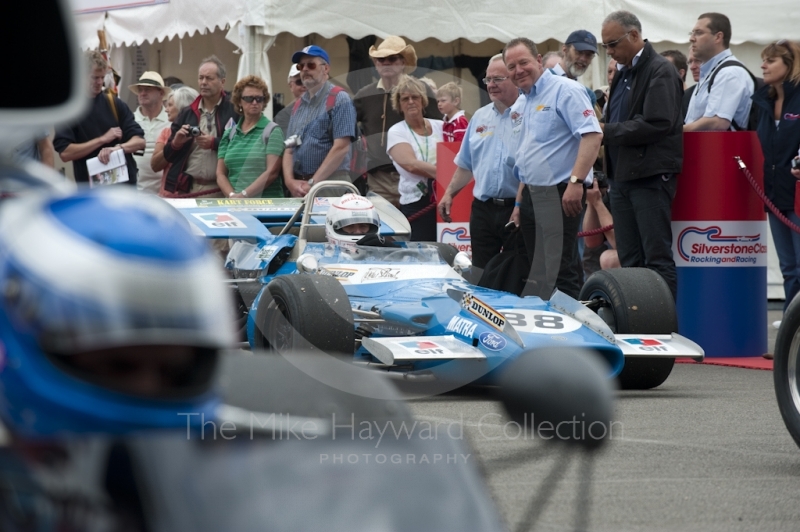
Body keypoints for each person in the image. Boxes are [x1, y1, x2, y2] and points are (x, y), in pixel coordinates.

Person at [503, 38, 601, 300]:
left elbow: (592, 136)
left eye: (523, 62)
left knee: (560, 270)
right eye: (511, 66)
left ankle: (572, 334)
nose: (518, 70)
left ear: (538, 60)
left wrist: (576, 182)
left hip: (561, 192)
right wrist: (520, 203)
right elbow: (527, 158)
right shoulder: (521, 103)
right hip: (533, 195)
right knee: (539, 271)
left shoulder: (565, 90)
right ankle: (550, 330)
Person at [601, 10, 683, 301]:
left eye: (613, 44)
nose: (609, 51)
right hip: (622, 178)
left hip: (649, 177)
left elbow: (658, 122)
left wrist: (605, 131)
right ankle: (639, 326)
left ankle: (665, 333)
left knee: (657, 259)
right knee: (631, 261)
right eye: (606, 46)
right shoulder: (623, 72)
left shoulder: (661, 69)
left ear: (634, 36)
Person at [438, 55, 522, 269]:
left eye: (498, 79)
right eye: (488, 80)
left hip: (517, 208)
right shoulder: (479, 117)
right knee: (481, 273)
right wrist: (449, 194)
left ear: (513, 78)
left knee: (516, 272)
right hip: (483, 210)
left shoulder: (528, 113)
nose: (491, 85)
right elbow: (466, 164)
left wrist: (521, 206)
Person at [354, 36, 441, 207]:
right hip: (379, 179)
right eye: (381, 59)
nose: (386, 63)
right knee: (383, 229)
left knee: (416, 229)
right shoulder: (365, 94)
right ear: (376, 64)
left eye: (392, 59)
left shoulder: (420, 89)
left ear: (403, 63)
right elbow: (344, 125)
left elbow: (441, 128)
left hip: (418, 177)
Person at [752, 39, 800, 329]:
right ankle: (792, 332)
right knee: (789, 268)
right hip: (774, 194)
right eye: (763, 59)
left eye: (771, 60)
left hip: (797, 194)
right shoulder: (763, 100)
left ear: (790, 64)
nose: (763, 66)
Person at [54, 51, 144, 186]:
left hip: (124, 189)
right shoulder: (69, 110)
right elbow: (65, 153)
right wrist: (102, 140)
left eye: (102, 77)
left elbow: (139, 142)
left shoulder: (114, 103)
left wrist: (118, 148)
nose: (100, 82)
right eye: (95, 77)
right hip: (91, 191)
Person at [283, 45, 357, 197]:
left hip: (330, 185)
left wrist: (312, 184)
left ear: (326, 69)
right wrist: (290, 182)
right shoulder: (298, 105)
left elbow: (341, 148)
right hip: (300, 187)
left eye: (310, 64)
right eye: (300, 66)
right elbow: (289, 149)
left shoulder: (339, 98)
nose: (304, 69)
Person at [162, 55, 237, 197]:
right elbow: (168, 155)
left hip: (223, 189)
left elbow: (242, 144)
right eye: (201, 78)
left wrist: (214, 143)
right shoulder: (187, 113)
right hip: (190, 188)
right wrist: (176, 144)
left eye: (209, 78)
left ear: (222, 82)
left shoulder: (234, 110)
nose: (203, 82)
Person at [387, 76, 444, 242]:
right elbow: (411, 165)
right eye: (405, 99)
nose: (411, 101)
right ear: (399, 105)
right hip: (416, 203)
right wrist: (449, 175)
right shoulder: (396, 132)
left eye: (415, 97)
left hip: (445, 198)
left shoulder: (441, 126)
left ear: (423, 100)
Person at [684, 12, 755, 131]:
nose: (691, 38)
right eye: (692, 33)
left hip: (721, 148)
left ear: (718, 37)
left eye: (699, 33)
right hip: (706, 146)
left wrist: (676, 132)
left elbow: (717, 123)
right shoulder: (713, 71)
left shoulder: (728, 73)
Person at [217, 75, 285, 199]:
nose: (254, 102)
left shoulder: (273, 131)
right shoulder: (229, 134)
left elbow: (272, 172)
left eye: (259, 98)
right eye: (249, 98)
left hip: (266, 205)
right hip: (235, 205)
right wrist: (232, 196)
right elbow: (220, 173)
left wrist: (243, 195)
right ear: (239, 101)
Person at [151, 86, 199, 197]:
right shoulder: (166, 133)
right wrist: (174, 145)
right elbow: (155, 165)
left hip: (195, 194)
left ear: (183, 107)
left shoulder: (200, 133)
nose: (166, 109)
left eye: (170, 105)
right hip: (169, 195)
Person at [130, 71, 171, 194]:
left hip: (165, 193)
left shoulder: (172, 120)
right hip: (135, 193)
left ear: (161, 93)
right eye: (140, 90)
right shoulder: (130, 120)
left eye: (147, 89)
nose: (142, 93)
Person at [274, 64, 306, 134]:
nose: (305, 85)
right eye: (299, 82)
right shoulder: (283, 116)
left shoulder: (327, 110)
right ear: (291, 86)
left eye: (307, 81)